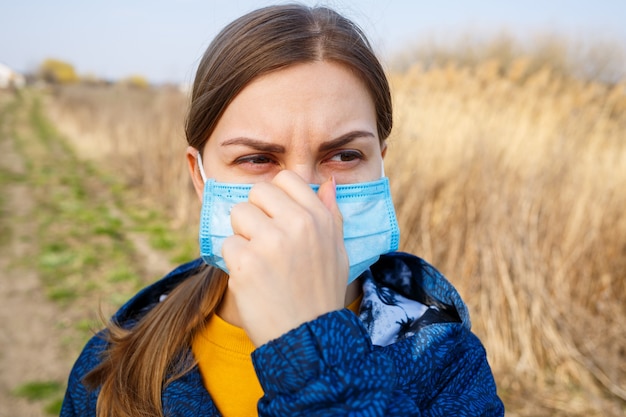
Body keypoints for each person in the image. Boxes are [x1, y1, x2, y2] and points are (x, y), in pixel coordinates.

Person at [60, 4, 504, 417]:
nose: (302, 198)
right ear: (201, 177)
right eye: (257, 159)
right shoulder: (111, 366)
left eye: (345, 155)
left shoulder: (448, 365)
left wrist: (310, 349)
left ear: (381, 161)